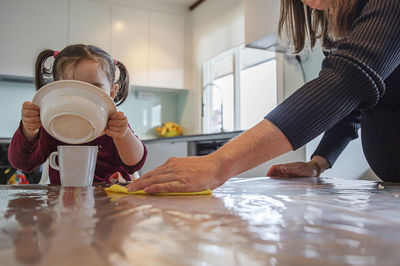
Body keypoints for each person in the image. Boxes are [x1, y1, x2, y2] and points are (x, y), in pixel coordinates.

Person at [127, 0, 399, 193]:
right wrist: (318, 163)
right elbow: (352, 107)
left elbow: (347, 82)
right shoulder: (347, 25)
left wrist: (218, 163)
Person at [8, 44, 147, 185]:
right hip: (63, 203)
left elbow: (135, 164)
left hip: (111, 200)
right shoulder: (54, 124)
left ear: (112, 92)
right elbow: (21, 163)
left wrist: (123, 135)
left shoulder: (114, 124)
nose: (83, 97)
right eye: (73, 87)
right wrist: (29, 130)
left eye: (94, 87)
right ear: (57, 90)